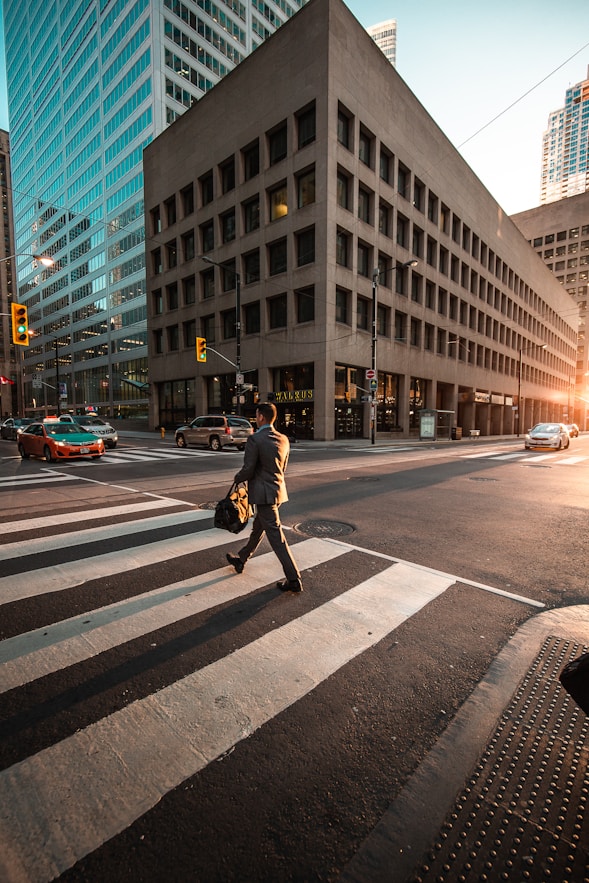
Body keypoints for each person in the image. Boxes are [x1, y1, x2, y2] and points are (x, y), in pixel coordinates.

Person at [226, 401, 302, 593]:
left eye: (257, 415)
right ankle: (241, 560)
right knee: (258, 529)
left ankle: (294, 579)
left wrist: (238, 477)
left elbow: (249, 469)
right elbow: (282, 468)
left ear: (261, 417)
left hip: (263, 494)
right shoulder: (283, 439)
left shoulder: (255, 439)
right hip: (277, 491)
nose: (256, 418)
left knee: (277, 538)